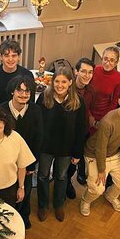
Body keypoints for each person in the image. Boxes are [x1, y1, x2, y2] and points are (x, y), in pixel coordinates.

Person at [36, 66, 87, 222]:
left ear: (70, 82)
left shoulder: (78, 102)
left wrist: (77, 153)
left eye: (63, 82)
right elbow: (37, 124)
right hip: (46, 147)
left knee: (61, 176)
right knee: (43, 175)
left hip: (66, 149)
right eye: (57, 81)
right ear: (52, 82)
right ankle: (43, 205)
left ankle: (59, 204)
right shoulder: (44, 98)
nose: (59, 85)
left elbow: (81, 130)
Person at [79, 88, 120, 216]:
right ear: (119, 101)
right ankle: (86, 200)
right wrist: (102, 170)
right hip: (94, 154)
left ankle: (110, 195)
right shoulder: (108, 121)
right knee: (97, 188)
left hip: (114, 154)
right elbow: (100, 148)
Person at [1, 75, 43, 229]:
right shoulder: (2, 110)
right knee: (9, 191)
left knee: (25, 189)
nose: (23, 94)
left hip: (27, 161)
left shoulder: (36, 111)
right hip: (7, 161)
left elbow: (38, 139)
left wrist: (32, 164)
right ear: (12, 91)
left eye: (27, 91)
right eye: (19, 90)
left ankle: (24, 217)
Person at [66, 57, 95, 199]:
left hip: (81, 131)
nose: (86, 75)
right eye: (83, 71)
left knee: (74, 160)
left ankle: (67, 181)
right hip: (66, 132)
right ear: (75, 72)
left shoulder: (90, 90)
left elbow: (89, 109)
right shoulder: (66, 88)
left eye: (90, 72)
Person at [0, 40, 34, 106]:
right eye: (6, 56)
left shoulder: (28, 75)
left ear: (19, 57)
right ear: (1, 57)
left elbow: (31, 103)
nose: (10, 59)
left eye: (14, 56)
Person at [87, 47, 120, 129]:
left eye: (111, 60)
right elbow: (85, 93)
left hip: (103, 114)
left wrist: (102, 119)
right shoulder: (94, 70)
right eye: (105, 59)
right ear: (102, 58)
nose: (107, 63)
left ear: (116, 62)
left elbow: (114, 102)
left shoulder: (119, 79)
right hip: (87, 109)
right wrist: (89, 115)